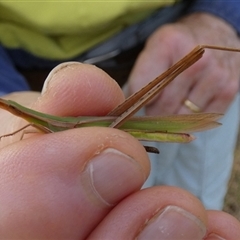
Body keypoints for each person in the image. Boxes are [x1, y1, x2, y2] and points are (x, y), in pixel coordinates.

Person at [0, 0, 239, 231]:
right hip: (30, 70)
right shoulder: (29, 124)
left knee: (200, 211)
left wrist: (223, 14)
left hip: (181, 53)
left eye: (13, 109)